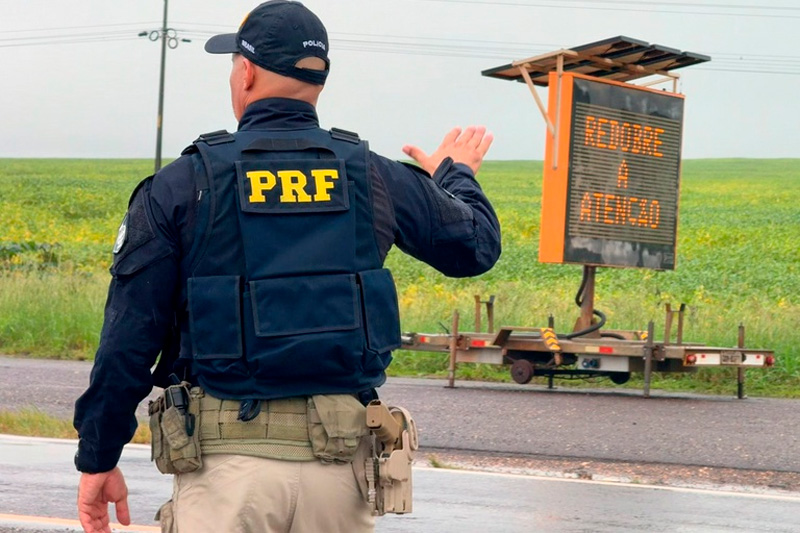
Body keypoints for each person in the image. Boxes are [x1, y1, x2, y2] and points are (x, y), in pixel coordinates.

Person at [73, 1, 501, 531]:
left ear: (246, 72)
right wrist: (454, 175)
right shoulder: (373, 175)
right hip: (342, 477)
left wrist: (98, 457)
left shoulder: (185, 184)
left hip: (227, 477)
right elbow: (476, 246)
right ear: (318, 83)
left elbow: (128, 341)